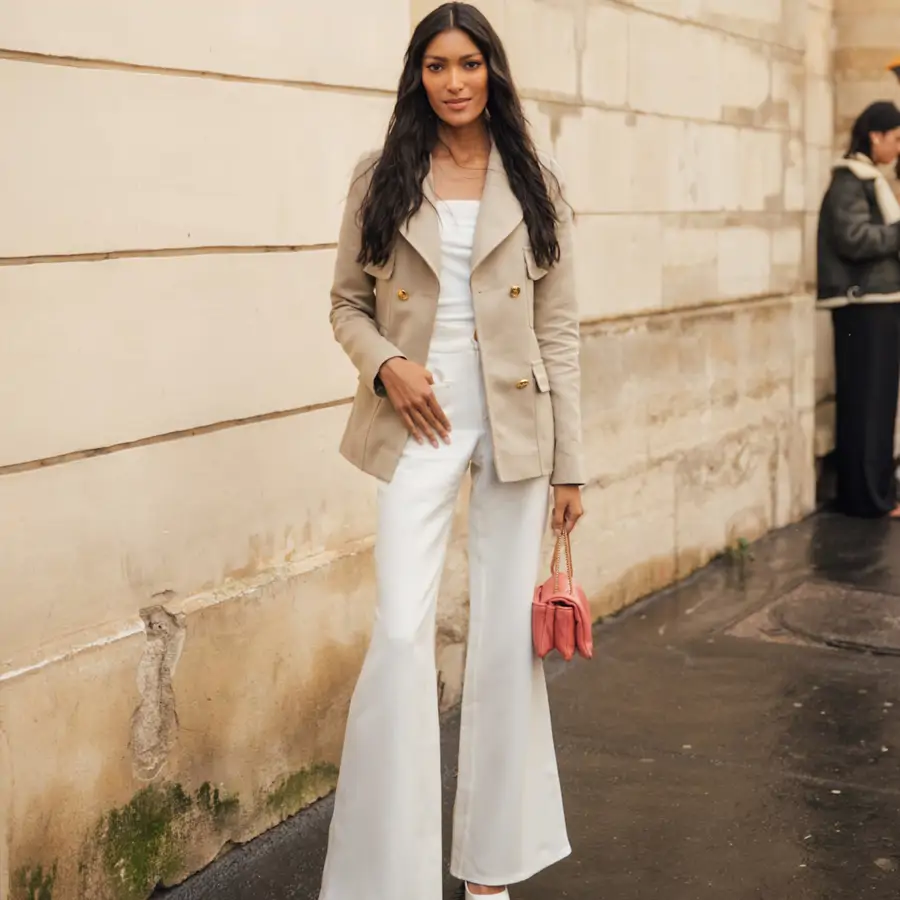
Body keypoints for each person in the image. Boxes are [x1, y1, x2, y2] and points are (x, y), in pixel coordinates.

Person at [320, 3, 584, 899]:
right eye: (437, 65)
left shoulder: (535, 180)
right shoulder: (382, 175)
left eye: (469, 63)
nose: (455, 80)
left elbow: (561, 332)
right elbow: (346, 304)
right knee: (400, 633)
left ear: (492, 72)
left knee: (507, 645)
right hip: (415, 424)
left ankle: (491, 871)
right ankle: (383, 879)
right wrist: (390, 363)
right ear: (418, 76)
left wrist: (571, 466)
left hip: (517, 430)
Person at [817, 100, 900, 519]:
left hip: (877, 305)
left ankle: (877, 493)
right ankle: (866, 498)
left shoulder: (867, 178)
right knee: (866, 404)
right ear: (876, 136)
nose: (899, 149)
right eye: (897, 139)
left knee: (879, 403)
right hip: (862, 306)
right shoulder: (850, 179)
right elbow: (852, 238)